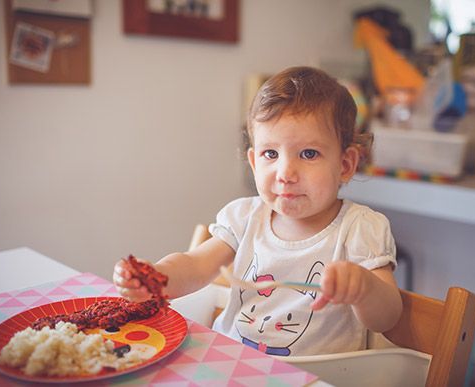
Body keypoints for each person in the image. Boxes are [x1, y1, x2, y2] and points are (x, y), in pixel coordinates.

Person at [113, 66, 402, 356]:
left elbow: (387, 317)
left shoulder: (360, 228)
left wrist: (364, 288)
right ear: (253, 162)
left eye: (309, 154)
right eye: (271, 154)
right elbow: (194, 265)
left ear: (345, 165)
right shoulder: (244, 218)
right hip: (233, 363)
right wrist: (156, 278)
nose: (285, 173)